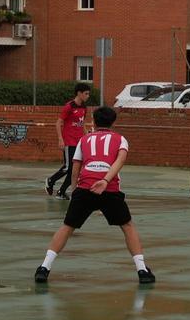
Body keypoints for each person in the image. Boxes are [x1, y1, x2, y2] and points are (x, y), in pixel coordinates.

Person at [35, 106, 154, 284]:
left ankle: (44, 268)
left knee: (67, 227)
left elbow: (75, 169)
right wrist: (105, 180)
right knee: (127, 226)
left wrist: (75, 191)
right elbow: (120, 161)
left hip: (85, 187)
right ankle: (142, 270)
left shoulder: (84, 139)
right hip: (109, 189)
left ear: (94, 121)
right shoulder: (120, 139)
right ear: (113, 122)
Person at [46, 83, 91, 200]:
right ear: (79, 93)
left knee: (74, 169)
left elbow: (83, 124)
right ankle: (50, 180)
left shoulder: (84, 108)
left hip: (78, 142)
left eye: (88, 94)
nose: (87, 96)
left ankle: (61, 191)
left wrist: (88, 138)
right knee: (68, 167)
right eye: (86, 94)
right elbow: (58, 122)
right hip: (69, 141)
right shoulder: (69, 106)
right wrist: (60, 139)